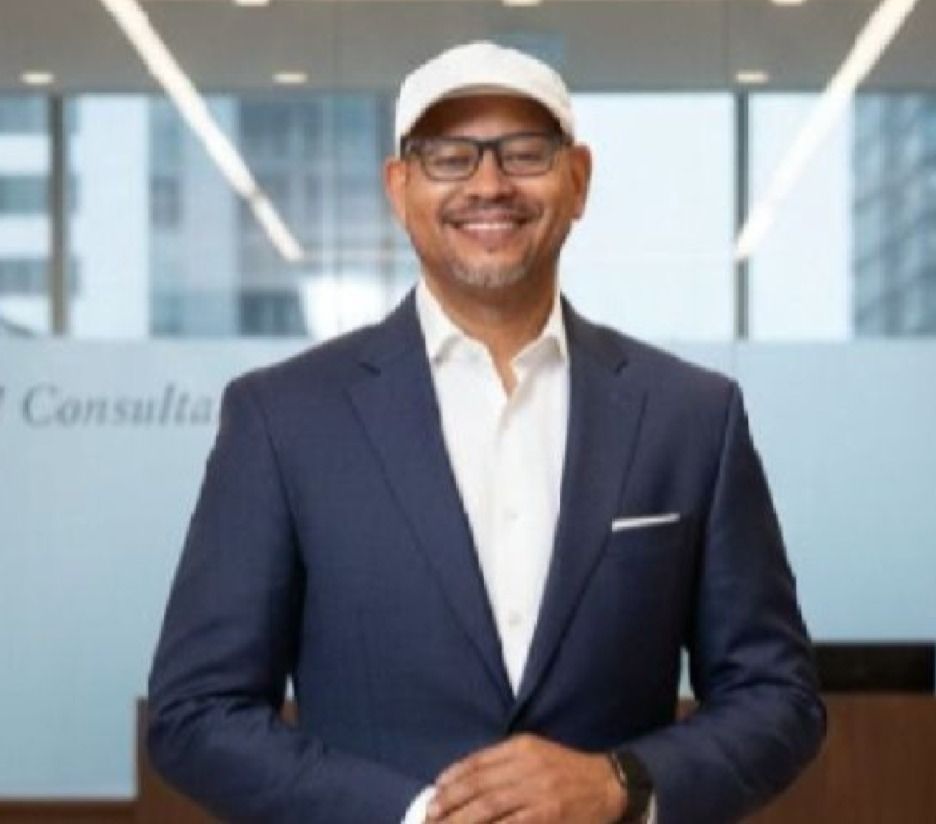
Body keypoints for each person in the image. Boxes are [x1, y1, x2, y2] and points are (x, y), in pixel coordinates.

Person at [147, 40, 825, 823]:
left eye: (525, 153)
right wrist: (418, 815)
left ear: (579, 180)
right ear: (400, 188)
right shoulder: (284, 418)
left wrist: (619, 783)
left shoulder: (691, 416)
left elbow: (777, 696)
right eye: (449, 157)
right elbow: (196, 713)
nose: (489, 184)